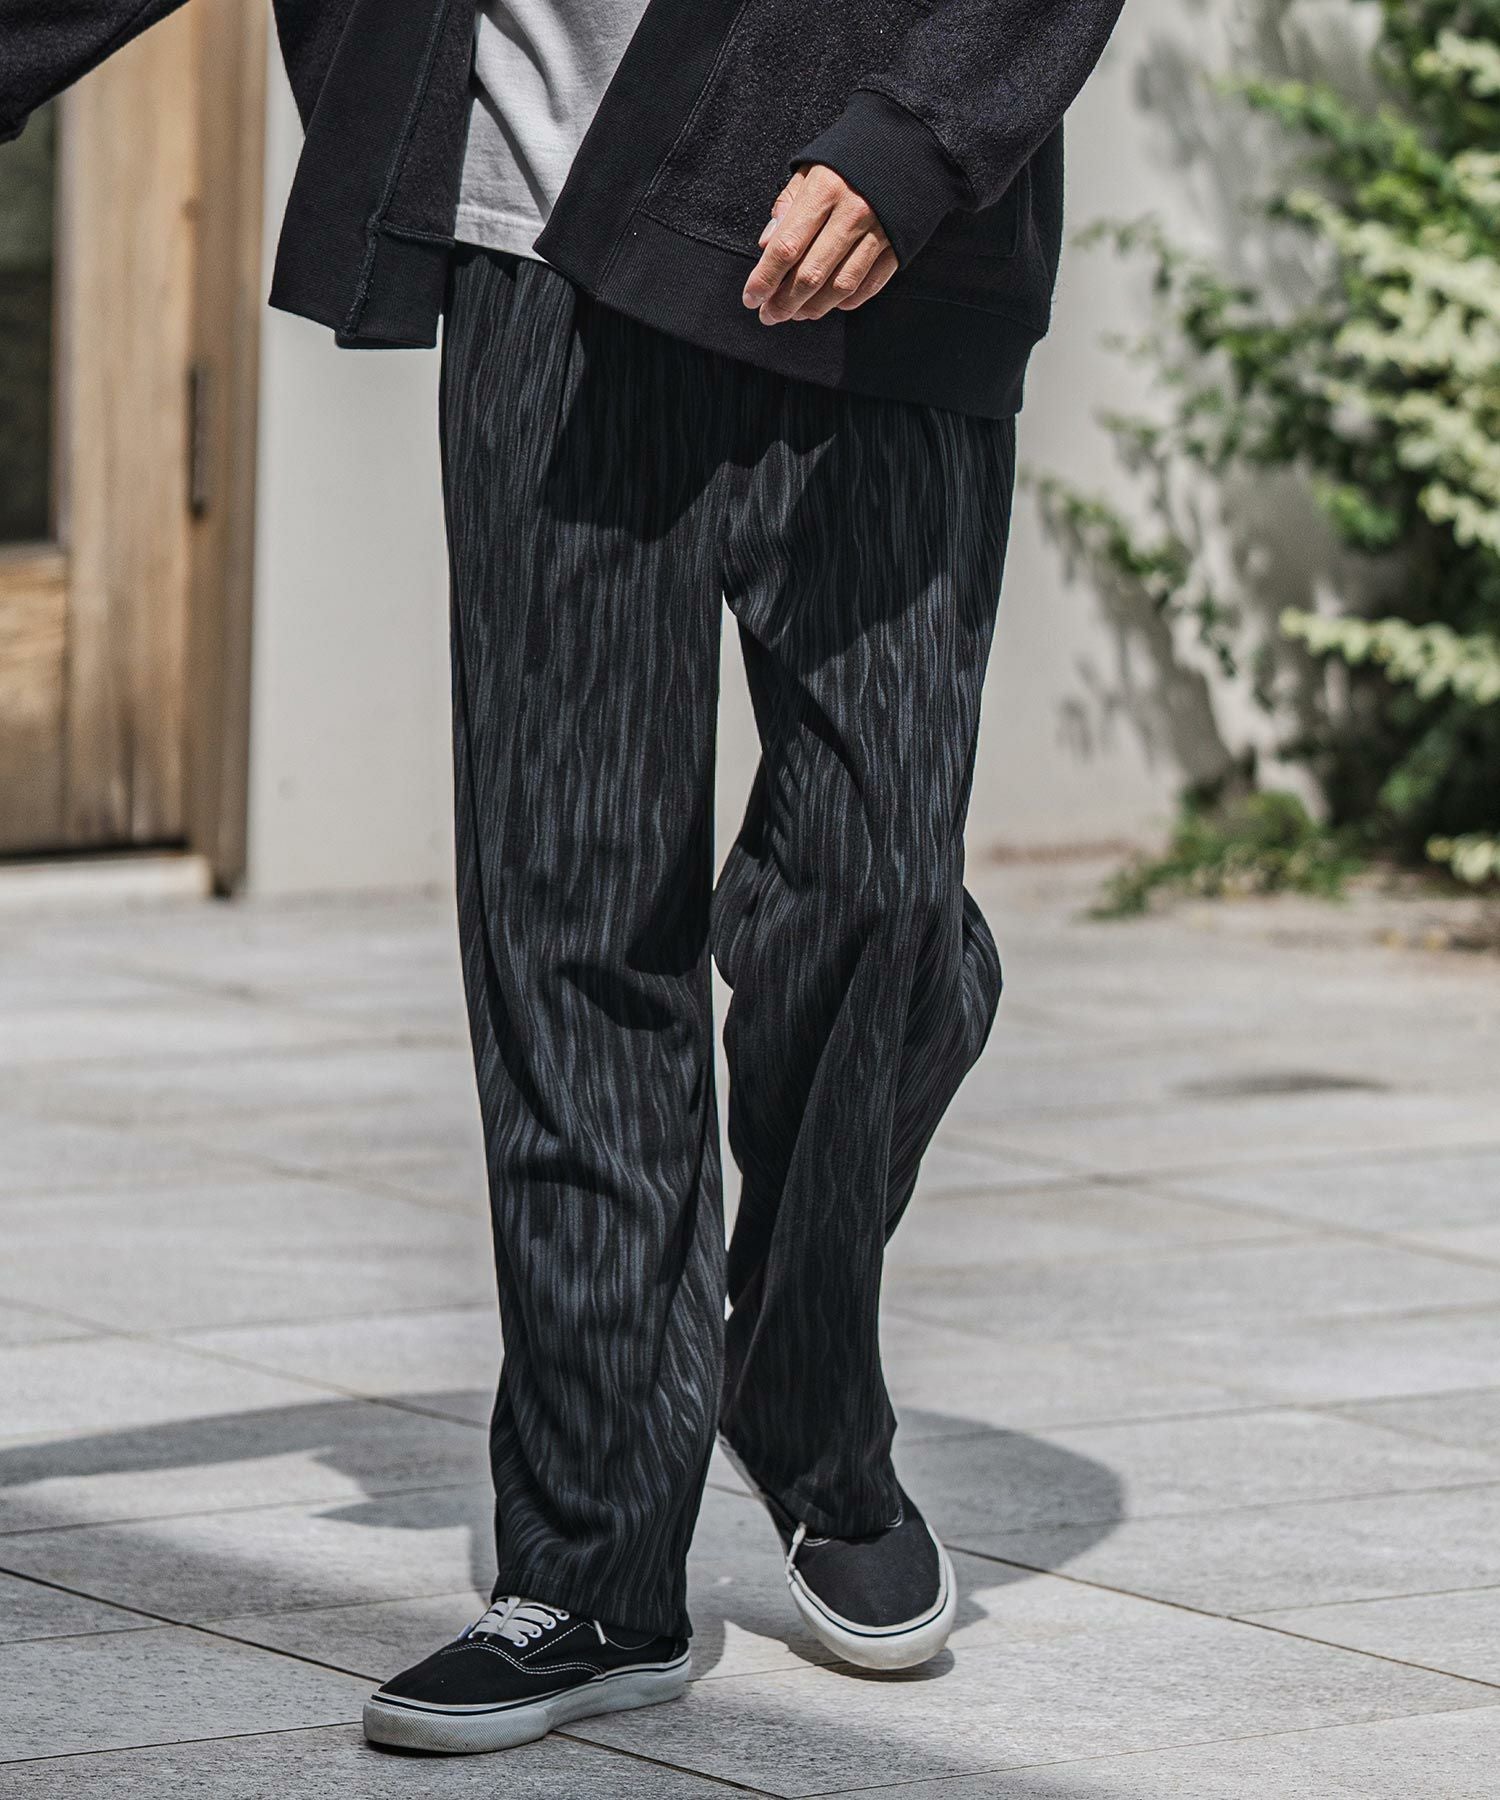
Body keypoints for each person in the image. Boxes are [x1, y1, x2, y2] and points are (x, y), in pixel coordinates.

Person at [2, 0, 1124, 1757]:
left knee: (880, 890)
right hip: (536, 239)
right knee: (570, 906)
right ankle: (593, 1561)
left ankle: (799, 1376)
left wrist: (921, 135)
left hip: (867, 247)